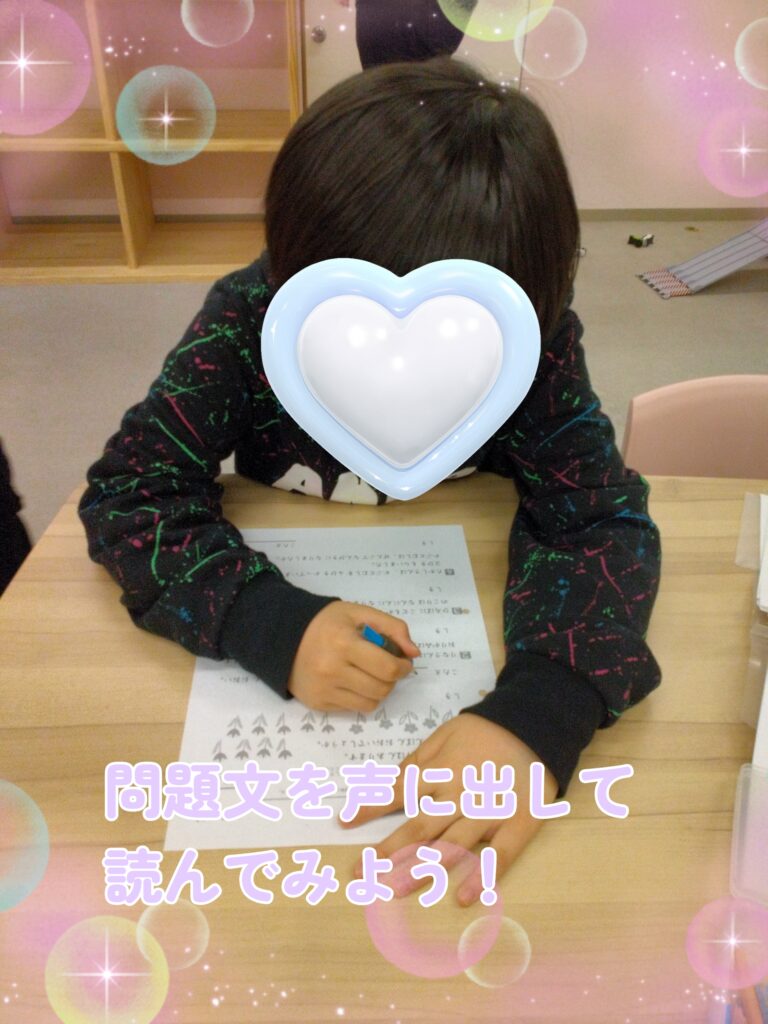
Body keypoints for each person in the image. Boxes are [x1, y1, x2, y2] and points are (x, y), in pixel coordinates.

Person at [79, 57, 661, 905]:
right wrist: (265, 620)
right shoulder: (246, 320)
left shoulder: (534, 341)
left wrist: (545, 709)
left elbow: (596, 515)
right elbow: (133, 492)